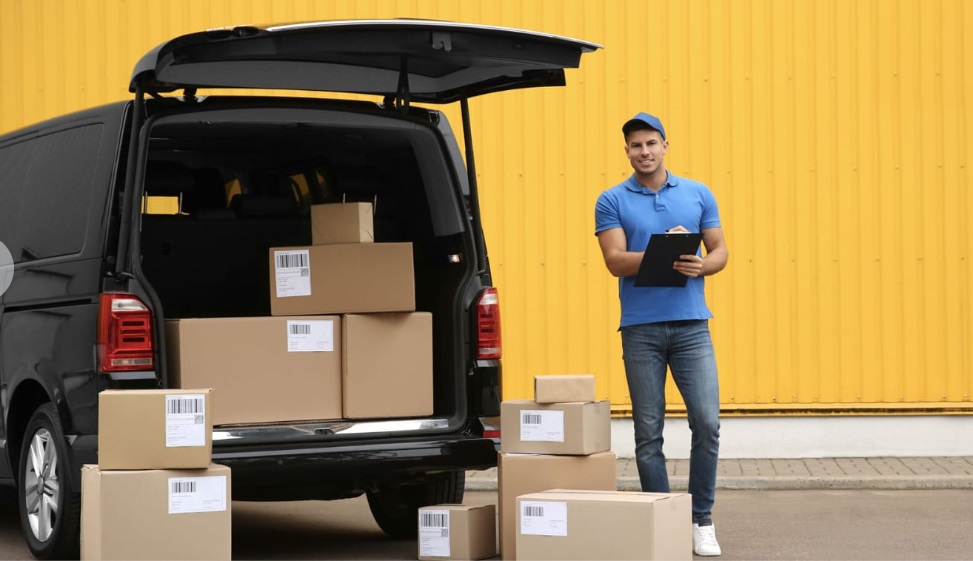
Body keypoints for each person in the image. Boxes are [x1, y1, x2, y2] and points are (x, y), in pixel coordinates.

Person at [594, 112, 729, 556]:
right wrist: (665, 250)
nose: (645, 151)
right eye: (636, 145)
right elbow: (615, 261)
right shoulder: (611, 200)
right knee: (648, 432)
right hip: (640, 329)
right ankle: (663, 519)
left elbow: (719, 250)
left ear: (665, 146)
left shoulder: (698, 193)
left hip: (692, 326)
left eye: (652, 143)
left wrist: (699, 264)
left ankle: (701, 519)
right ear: (627, 151)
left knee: (706, 423)